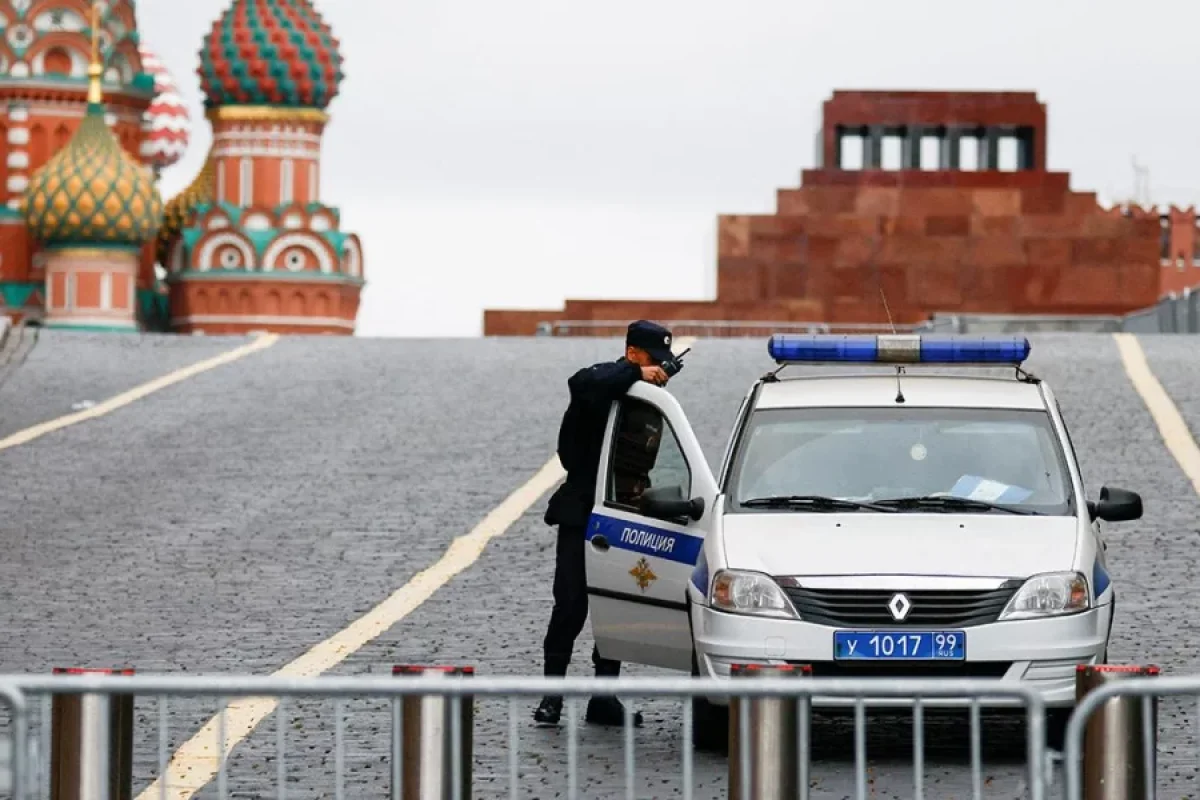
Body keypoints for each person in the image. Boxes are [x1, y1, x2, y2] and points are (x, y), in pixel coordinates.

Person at [533, 319, 678, 727]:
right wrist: (635, 374)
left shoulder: (647, 400)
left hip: (626, 513)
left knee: (615, 609)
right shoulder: (605, 385)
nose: (659, 370)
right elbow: (582, 381)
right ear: (633, 353)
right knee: (571, 606)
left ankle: (604, 697)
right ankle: (551, 698)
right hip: (583, 514)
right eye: (653, 361)